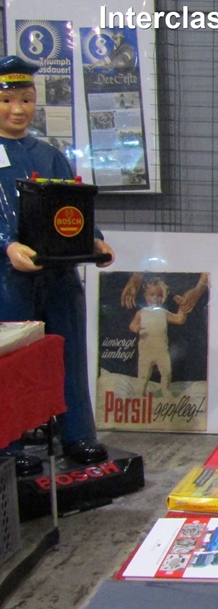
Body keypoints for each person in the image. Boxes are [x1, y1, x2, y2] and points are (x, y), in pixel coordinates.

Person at [0, 56, 115, 476]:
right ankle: (9, 443)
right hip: (9, 277)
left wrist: (93, 239)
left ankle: (77, 432)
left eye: (26, 99)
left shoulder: (48, 155)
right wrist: (7, 245)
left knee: (69, 350)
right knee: (13, 359)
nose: (18, 109)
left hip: (59, 271)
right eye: (7, 100)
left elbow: (73, 205)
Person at [129, 277, 186, 397]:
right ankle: (140, 392)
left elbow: (179, 319)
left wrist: (182, 307)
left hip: (161, 350)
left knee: (166, 372)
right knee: (143, 374)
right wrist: (135, 328)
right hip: (146, 350)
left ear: (164, 298)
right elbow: (132, 325)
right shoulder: (142, 312)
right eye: (152, 294)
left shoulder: (163, 313)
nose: (156, 298)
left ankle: (165, 390)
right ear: (146, 296)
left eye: (160, 295)